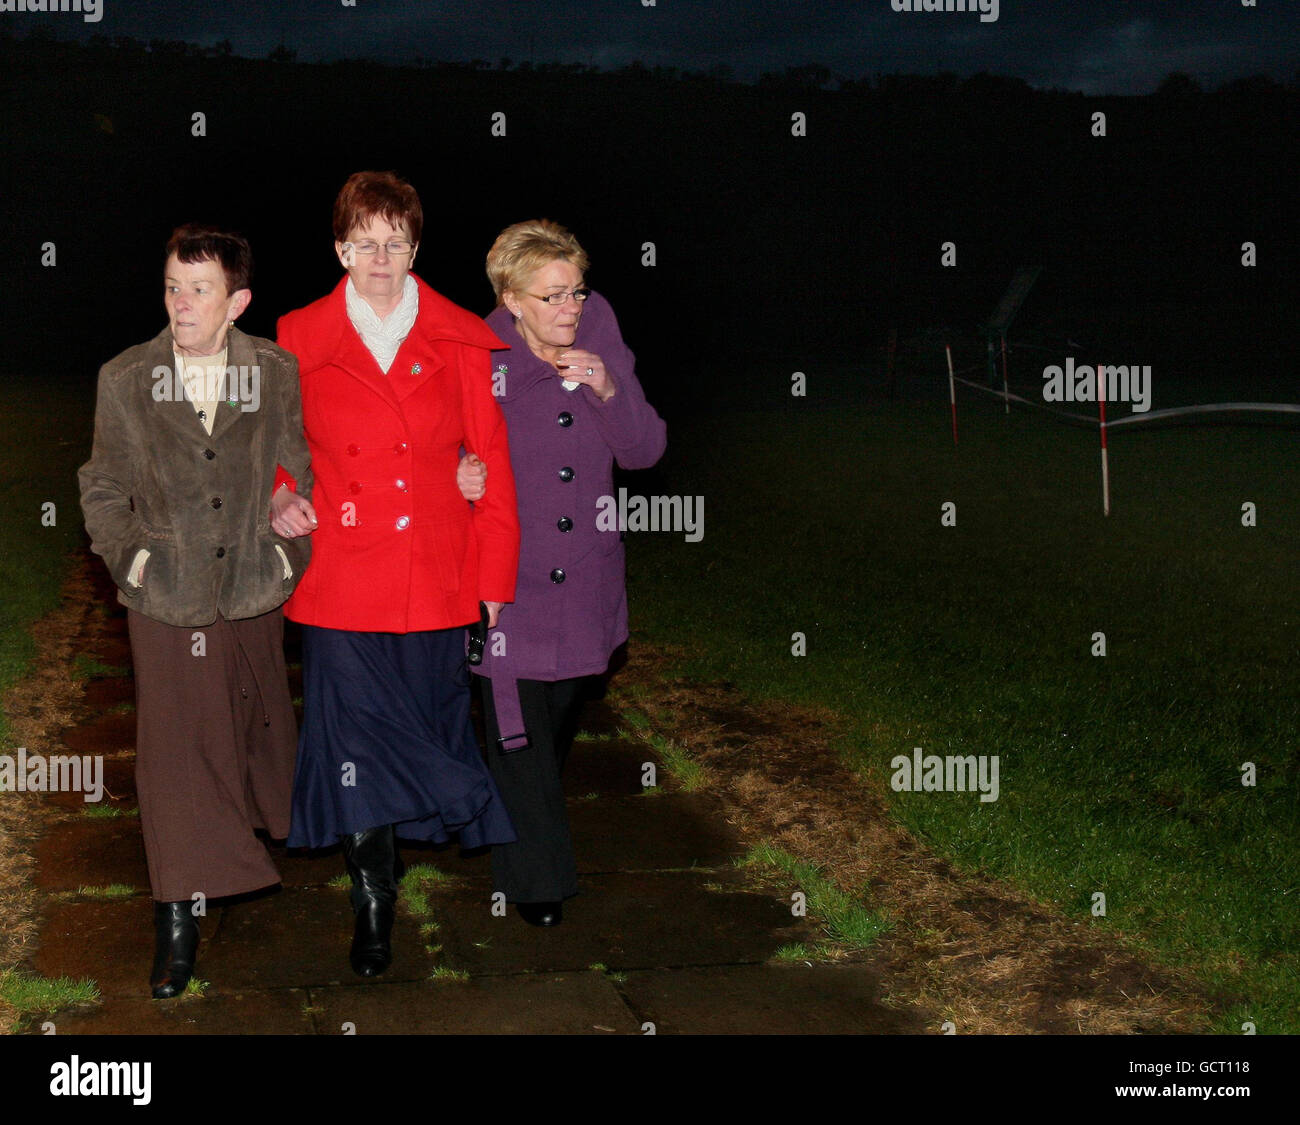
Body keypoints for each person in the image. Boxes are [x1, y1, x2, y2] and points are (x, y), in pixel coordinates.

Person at [270, 171, 520, 977]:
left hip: (435, 575)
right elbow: (279, 448)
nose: (381, 257)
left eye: (397, 242)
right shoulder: (298, 337)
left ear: (416, 247)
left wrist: (495, 576)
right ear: (339, 248)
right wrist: (283, 496)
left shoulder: (458, 339)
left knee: (422, 721)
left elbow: (492, 459)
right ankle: (372, 899)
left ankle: (435, 817)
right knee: (352, 737)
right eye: (365, 242)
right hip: (341, 575)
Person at [78, 224, 312, 998]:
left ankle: (237, 848)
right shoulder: (126, 376)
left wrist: (287, 525)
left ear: (237, 300)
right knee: (174, 751)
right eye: (174, 285)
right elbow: (103, 486)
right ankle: (175, 914)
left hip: (249, 588)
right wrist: (134, 556)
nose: (181, 302)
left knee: (249, 729)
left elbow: (292, 469)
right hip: (167, 596)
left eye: (199, 289)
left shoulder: (274, 370)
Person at [471, 219, 666, 926]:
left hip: (586, 578)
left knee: (548, 732)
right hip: (508, 586)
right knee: (518, 733)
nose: (570, 309)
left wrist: (608, 386)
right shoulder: (481, 352)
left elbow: (644, 451)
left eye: (577, 292)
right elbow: (444, 445)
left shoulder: (599, 331)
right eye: (551, 296)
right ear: (511, 299)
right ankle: (539, 884)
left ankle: (509, 822)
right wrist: (458, 474)